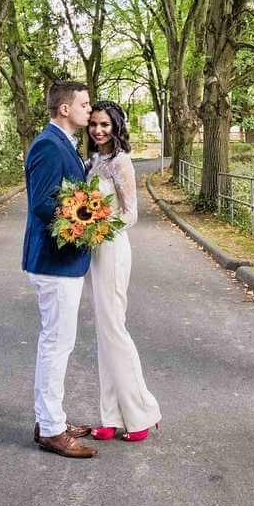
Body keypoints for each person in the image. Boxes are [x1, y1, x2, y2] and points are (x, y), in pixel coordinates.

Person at [22, 80, 97, 459]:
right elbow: (42, 204)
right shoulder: (49, 145)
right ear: (64, 109)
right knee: (56, 344)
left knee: (59, 343)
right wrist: (87, 223)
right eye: (84, 104)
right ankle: (51, 430)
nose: (90, 108)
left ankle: (50, 418)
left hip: (63, 263)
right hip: (54, 262)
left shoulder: (64, 143)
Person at [84, 100, 162, 442]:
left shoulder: (121, 162)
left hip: (112, 248)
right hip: (93, 251)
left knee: (115, 329)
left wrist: (97, 225)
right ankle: (111, 415)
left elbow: (130, 214)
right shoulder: (95, 160)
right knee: (104, 333)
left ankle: (141, 413)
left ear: (116, 126)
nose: (99, 131)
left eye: (105, 125)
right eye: (94, 125)